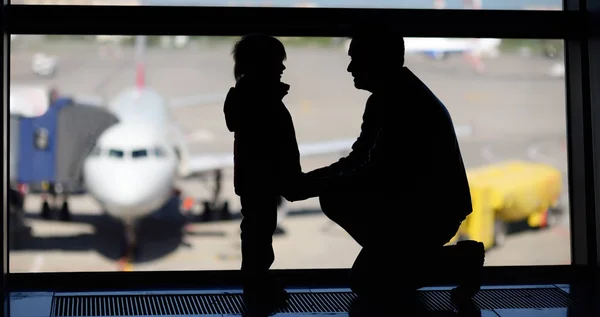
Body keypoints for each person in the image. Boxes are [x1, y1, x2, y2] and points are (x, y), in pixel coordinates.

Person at [284, 23, 485, 311]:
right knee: (367, 277)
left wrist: (310, 186)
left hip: (430, 213)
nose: (350, 68)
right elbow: (359, 161)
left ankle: (453, 261)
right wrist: (307, 182)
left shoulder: (404, 105)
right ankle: (420, 260)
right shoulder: (388, 98)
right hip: (419, 206)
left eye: (356, 59)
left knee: (367, 279)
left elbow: (373, 172)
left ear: (378, 61)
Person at [223, 34, 303, 316]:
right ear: (260, 65)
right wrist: (291, 177)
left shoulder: (249, 98)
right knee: (259, 233)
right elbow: (273, 146)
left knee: (257, 231)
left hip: (256, 181)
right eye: (277, 63)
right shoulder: (261, 102)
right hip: (262, 182)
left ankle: (257, 281)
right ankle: (257, 284)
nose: (282, 69)